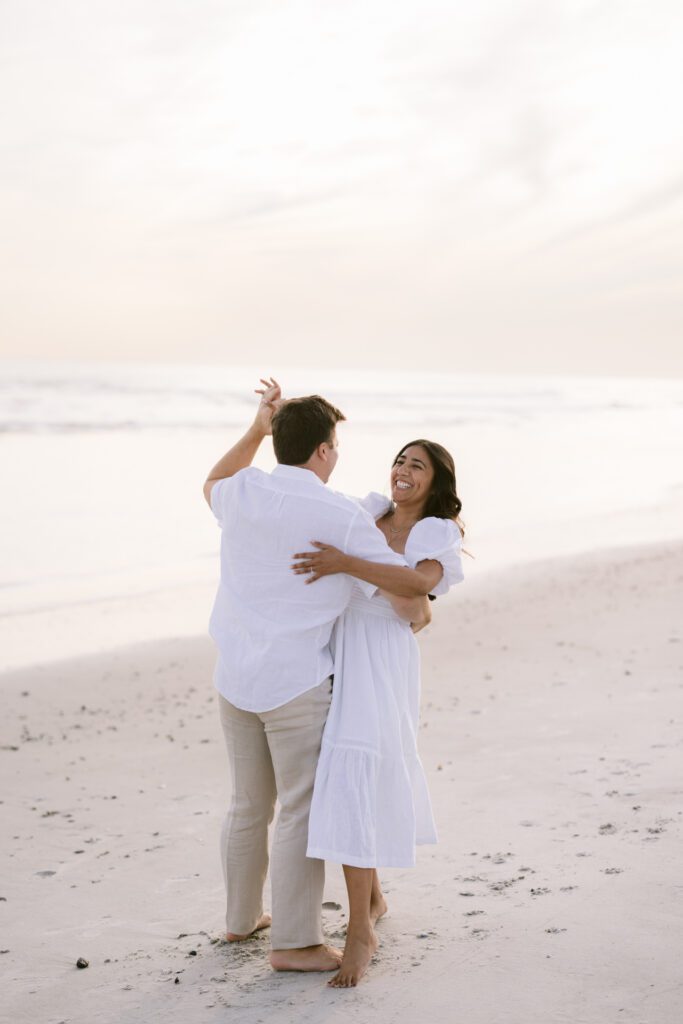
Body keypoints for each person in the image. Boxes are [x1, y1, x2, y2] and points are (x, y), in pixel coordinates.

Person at [203, 379, 438, 973]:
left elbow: (210, 483)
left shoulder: (244, 489)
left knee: (247, 804)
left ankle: (239, 921)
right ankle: (296, 943)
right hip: (295, 683)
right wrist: (420, 611)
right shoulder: (338, 513)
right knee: (301, 810)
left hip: (235, 672)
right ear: (326, 451)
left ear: (278, 440)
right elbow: (410, 589)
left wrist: (256, 429)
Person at [291, 439, 464, 987]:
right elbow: (304, 504)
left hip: (383, 657)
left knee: (355, 771)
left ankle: (361, 927)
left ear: (435, 483)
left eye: (417, 465)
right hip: (339, 644)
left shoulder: (435, 533)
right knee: (342, 769)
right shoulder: (365, 512)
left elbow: (418, 588)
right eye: (399, 461)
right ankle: (375, 898)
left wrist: (347, 563)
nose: (403, 471)